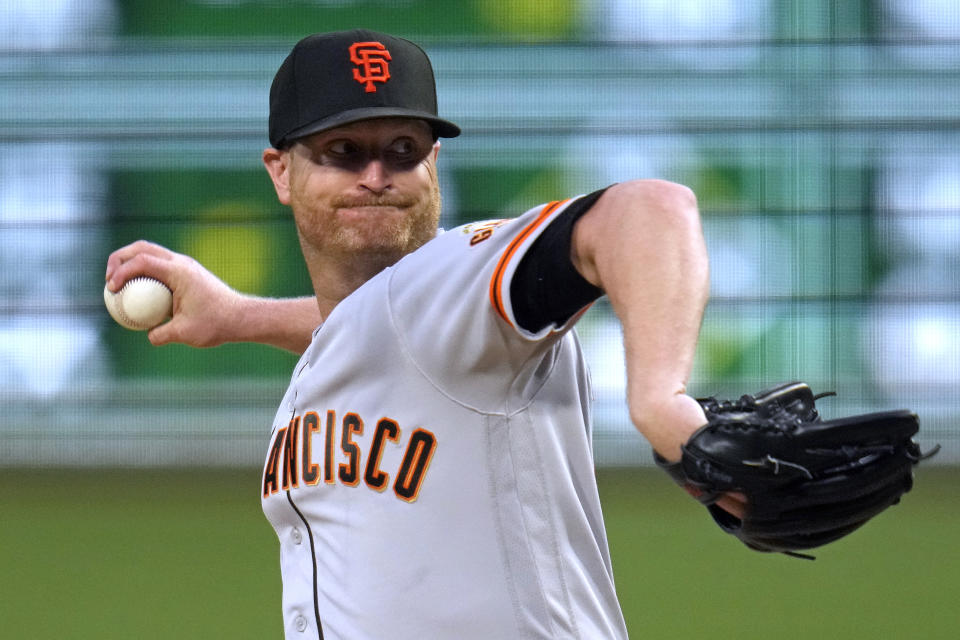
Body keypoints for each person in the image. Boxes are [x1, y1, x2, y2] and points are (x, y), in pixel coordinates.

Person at [105, 29, 742, 639]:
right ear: (280, 172)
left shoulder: (464, 277)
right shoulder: (400, 326)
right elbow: (375, 329)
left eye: (403, 151)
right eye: (344, 152)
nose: (377, 175)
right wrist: (240, 316)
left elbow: (650, 211)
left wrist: (660, 401)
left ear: (433, 164)